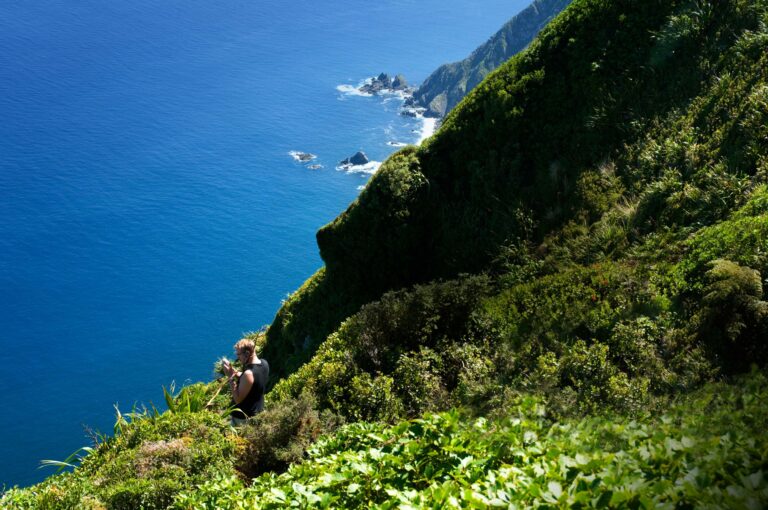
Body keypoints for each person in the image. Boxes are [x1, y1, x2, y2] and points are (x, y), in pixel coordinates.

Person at [222, 338, 269, 426]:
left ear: (247, 354)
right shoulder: (264, 363)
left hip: (243, 419)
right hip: (256, 412)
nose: (237, 357)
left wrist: (230, 377)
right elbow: (251, 380)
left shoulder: (248, 374)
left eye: (238, 354)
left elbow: (238, 399)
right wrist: (234, 372)